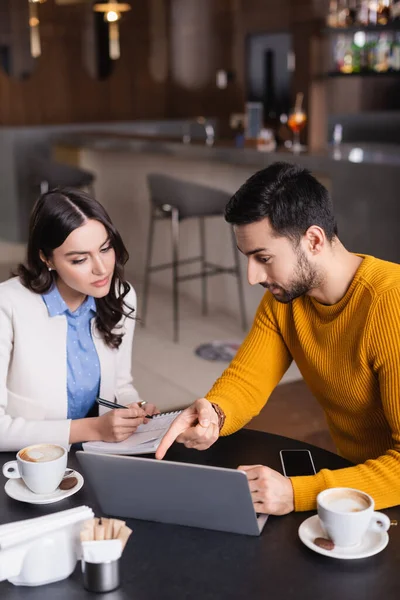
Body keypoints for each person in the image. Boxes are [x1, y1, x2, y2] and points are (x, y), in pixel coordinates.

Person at [156, 162, 400, 515]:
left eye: (264, 258)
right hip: (353, 485)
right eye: (248, 259)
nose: (253, 276)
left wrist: (296, 492)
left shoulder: (389, 305)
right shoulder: (286, 300)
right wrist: (214, 414)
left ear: (313, 240)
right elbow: (246, 381)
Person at [0, 188, 158, 452]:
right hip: (29, 460)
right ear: (46, 258)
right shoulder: (8, 305)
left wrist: (134, 409)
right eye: (80, 259)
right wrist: (94, 428)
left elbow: (121, 384)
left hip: (98, 452)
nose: (102, 268)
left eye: (106, 249)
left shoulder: (121, 295)